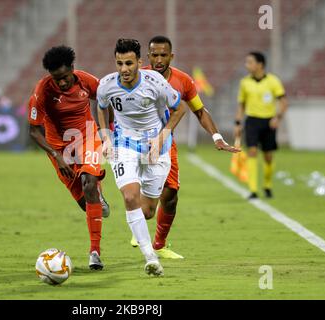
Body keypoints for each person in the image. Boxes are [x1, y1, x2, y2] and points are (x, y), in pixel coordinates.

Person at [135, 35, 239, 259]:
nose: (159, 59)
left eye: (164, 55)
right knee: (143, 203)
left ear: (171, 56)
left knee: (171, 195)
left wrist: (217, 137)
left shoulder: (183, 81)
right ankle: (136, 229)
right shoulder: (136, 76)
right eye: (155, 55)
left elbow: (200, 111)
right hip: (135, 142)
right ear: (148, 56)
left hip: (165, 144)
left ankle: (158, 245)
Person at [97, 38, 190, 276]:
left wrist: (162, 137)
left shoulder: (155, 82)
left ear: (139, 62)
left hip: (155, 148)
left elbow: (180, 108)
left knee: (147, 211)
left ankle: (146, 242)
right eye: (119, 63)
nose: (124, 69)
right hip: (124, 145)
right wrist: (106, 136)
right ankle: (150, 258)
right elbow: (100, 105)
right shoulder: (107, 84)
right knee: (130, 197)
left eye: (129, 63)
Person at [27, 45, 109, 270]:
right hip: (60, 149)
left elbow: (105, 99)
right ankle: (97, 197)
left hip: (88, 138)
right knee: (87, 204)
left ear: (72, 69)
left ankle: (94, 252)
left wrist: (107, 130)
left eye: (64, 77)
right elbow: (33, 130)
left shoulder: (85, 81)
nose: (61, 83)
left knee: (89, 183)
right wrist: (56, 156)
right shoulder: (42, 91)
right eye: (56, 79)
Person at [234, 51, 288, 200]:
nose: (247, 65)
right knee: (252, 152)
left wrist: (278, 117)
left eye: (250, 62)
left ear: (260, 65)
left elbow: (283, 102)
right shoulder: (245, 82)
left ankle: (267, 185)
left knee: (268, 156)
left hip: (268, 121)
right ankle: (253, 190)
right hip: (251, 121)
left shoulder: (273, 81)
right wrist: (238, 123)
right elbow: (241, 104)